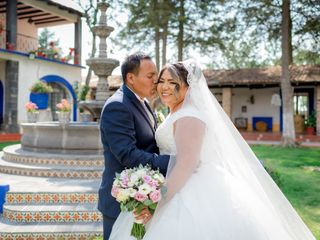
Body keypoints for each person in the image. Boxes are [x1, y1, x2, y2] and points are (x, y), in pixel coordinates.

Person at [109, 59, 316, 240]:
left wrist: (157, 204)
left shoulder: (189, 116)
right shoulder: (177, 113)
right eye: (162, 80)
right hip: (175, 183)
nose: (164, 87)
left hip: (190, 189)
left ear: (188, 88)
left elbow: (186, 164)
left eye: (173, 83)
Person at [98, 53, 169, 240]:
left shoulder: (144, 102)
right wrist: (172, 162)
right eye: (150, 76)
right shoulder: (117, 106)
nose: (156, 81)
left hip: (144, 197)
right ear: (131, 77)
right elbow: (128, 154)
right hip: (121, 202)